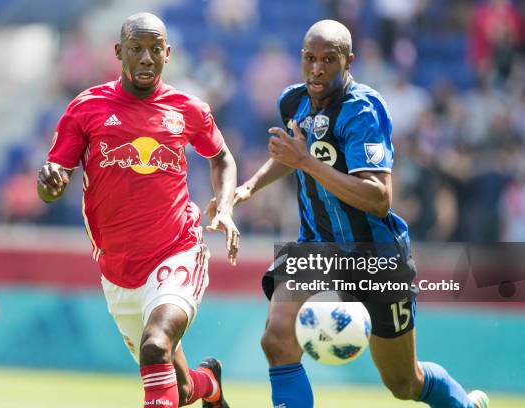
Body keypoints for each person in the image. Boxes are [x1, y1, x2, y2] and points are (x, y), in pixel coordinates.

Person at [207, 20, 488, 408]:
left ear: (349, 61)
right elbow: (291, 156)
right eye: (309, 59)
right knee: (276, 338)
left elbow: (378, 198)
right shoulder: (293, 101)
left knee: (404, 382)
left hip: (376, 256)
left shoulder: (364, 111)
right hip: (317, 248)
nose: (317, 69)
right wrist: (248, 187)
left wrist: (306, 161)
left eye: (328, 60)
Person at [37, 12, 238, 408]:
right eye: (136, 49)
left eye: (153, 50)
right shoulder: (86, 108)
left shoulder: (188, 108)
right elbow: (54, 178)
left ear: (168, 54)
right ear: (118, 52)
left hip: (177, 248)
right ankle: (208, 384)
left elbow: (222, 158)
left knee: (155, 344)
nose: (146, 58)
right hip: (118, 270)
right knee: (177, 391)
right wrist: (50, 183)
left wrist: (225, 207)